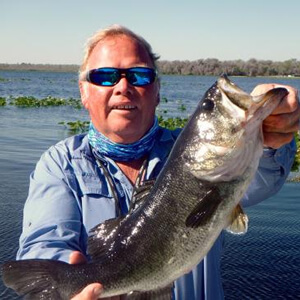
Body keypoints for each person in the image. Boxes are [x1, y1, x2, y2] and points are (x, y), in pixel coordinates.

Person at [16, 24, 299, 300]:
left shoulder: (192, 153)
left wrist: (273, 137)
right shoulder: (60, 165)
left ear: (158, 91)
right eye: (104, 76)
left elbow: (264, 178)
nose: (123, 86)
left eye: (139, 75)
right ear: (83, 92)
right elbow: (43, 245)